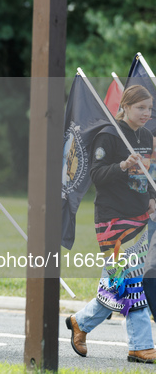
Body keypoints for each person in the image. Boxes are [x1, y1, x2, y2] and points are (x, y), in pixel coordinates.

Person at [66, 84, 156, 364]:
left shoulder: (146, 135)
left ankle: (81, 322)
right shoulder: (109, 135)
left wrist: (152, 197)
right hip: (113, 220)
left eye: (150, 108)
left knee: (116, 285)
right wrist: (123, 166)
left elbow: (148, 173)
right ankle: (140, 346)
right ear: (125, 106)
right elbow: (97, 175)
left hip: (140, 216)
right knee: (131, 281)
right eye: (141, 107)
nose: (146, 113)